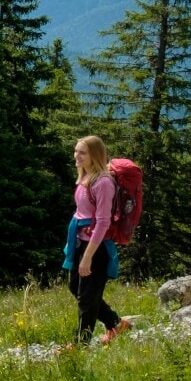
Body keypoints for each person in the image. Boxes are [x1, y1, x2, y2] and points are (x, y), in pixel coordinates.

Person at [64, 135, 130, 346]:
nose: (76, 156)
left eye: (82, 152)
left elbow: (103, 222)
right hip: (80, 242)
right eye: (76, 151)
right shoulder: (86, 178)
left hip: (96, 245)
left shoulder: (103, 182)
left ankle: (79, 346)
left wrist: (88, 257)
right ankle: (116, 324)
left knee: (86, 298)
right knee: (76, 287)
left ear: (94, 155)